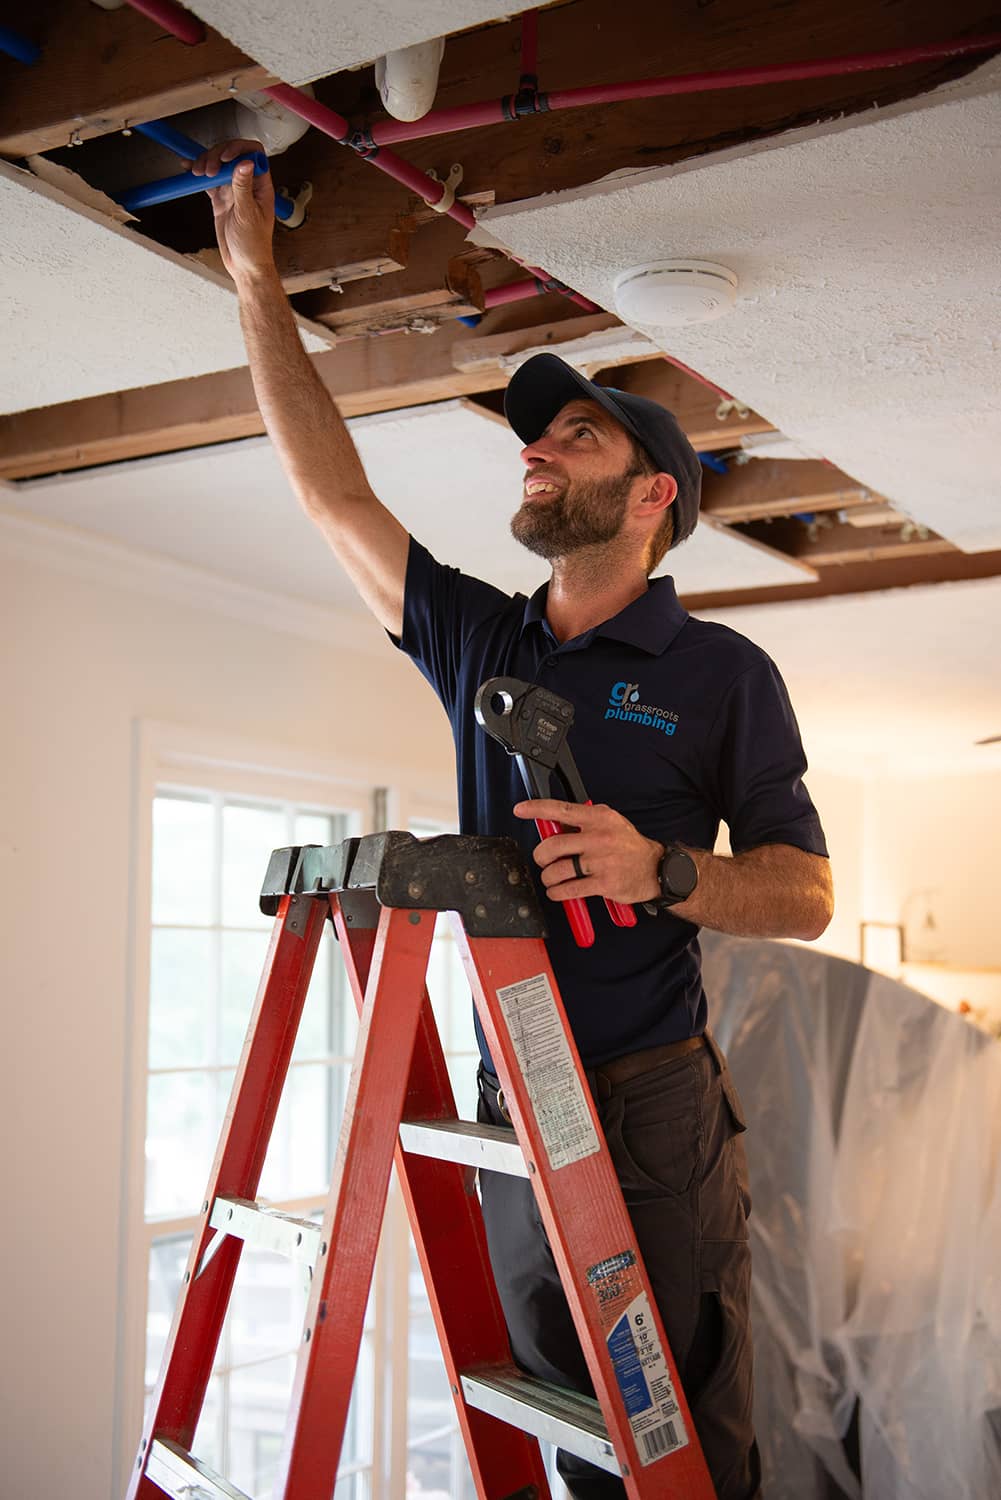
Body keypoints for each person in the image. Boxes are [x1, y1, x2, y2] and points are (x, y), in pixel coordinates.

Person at [195, 142, 834, 1500]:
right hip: (510, 1089)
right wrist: (255, 283)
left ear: (654, 496)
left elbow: (804, 892)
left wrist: (664, 871)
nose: (535, 449)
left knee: (677, 1429)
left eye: (576, 436)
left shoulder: (721, 673)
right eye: (536, 438)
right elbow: (332, 497)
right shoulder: (483, 639)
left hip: (647, 1099)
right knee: (562, 1410)